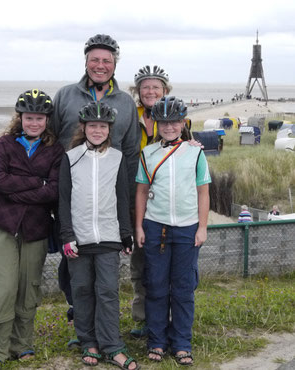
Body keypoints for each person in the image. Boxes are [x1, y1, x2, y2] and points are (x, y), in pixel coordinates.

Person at [50, 34, 140, 342]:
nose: (100, 65)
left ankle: (102, 330)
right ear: (86, 62)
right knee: (72, 267)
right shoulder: (65, 96)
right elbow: (51, 143)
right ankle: (81, 322)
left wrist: (126, 203)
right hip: (71, 194)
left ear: (115, 63)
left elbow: (130, 154)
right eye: (95, 59)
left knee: (105, 274)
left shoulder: (126, 103)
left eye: (107, 60)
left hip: (108, 199)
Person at [0, 89, 64, 367]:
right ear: (20, 118)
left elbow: (53, 191)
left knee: (28, 288)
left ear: (46, 120)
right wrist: (36, 182)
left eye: (39, 118)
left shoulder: (55, 150)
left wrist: (20, 185)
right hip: (3, 226)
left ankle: (22, 345)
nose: (34, 123)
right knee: (3, 288)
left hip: (36, 228)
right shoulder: (5, 144)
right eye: (29, 117)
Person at [58, 101, 140, 369]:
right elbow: (63, 200)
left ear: (109, 129)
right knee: (82, 291)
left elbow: (121, 197)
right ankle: (88, 342)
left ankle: (112, 345)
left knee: (107, 291)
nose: (97, 130)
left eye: (102, 126)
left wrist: (126, 232)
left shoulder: (117, 158)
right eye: (92, 125)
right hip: (78, 239)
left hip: (108, 236)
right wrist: (67, 235)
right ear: (83, 127)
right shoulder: (70, 158)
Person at [135, 96, 211, 365]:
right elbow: (142, 192)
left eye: (174, 122)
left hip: (188, 228)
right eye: (164, 122)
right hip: (156, 227)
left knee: (183, 288)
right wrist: (139, 227)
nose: (169, 127)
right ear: (156, 123)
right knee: (155, 286)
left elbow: (203, 192)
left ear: (183, 123)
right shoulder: (148, 153)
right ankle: (156, 341)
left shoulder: (196, 152)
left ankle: (181, 342)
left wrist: (202, 227)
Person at [128, 65, 196, 338]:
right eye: (146, 87)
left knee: (176, 269)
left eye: (156, 87)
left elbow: (188, 151)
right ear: (138, 91)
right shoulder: (129, 116)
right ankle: (145, 318)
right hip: (139, 189)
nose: (151, 91)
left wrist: (196, 145)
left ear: (165, 91)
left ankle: (173, 320)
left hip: (172, 204)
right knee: (143, 264)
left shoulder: (181, 120)